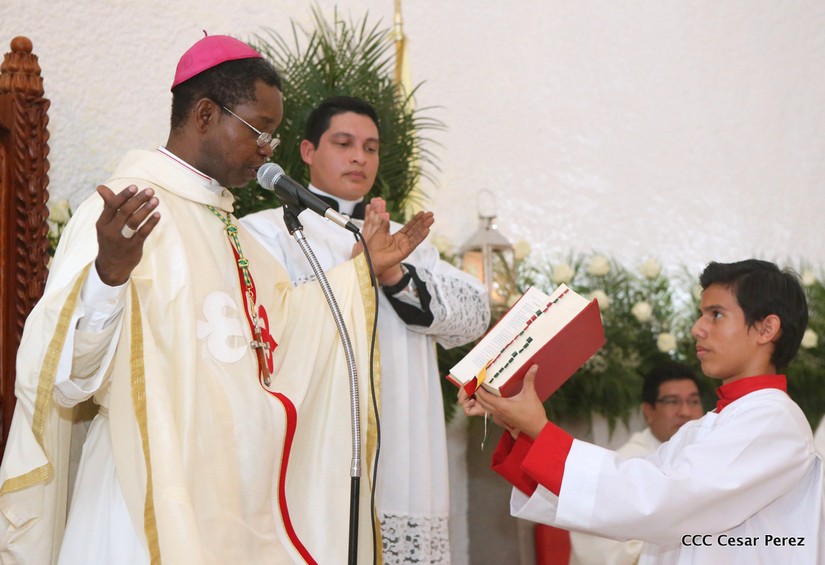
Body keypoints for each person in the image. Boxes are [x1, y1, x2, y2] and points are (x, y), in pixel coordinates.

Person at [0, 35, 434, 565]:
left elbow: (289, 331)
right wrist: (108, 276)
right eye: (260, 131)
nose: (267, 150)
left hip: (230, 501)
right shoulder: (122, 213)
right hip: (141, 494)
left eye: (273, 136)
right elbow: (65, 380)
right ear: (205, 114)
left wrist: (359, 272)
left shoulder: (234, 232)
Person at [241, 95, 490, 563]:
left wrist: (393, 273)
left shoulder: (406, 238)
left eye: (371, 147)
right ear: (308, 151)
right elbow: (268, 325)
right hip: (319, 441)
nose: (359, 157)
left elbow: (473, 314)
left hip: (405, 443)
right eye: (344, 143)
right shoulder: (266, 232)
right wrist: (357, 271)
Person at [461, 259, 824, 564]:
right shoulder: (712, 423)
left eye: (716, 315)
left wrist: (540, 432)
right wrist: (522, 428)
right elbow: (630, 490)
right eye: (701, 314)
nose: (697, 329)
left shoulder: (772, 420)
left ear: (766, 328)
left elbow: (660, 501)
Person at [568, 362, 705, 565]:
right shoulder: (624, 466)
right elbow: (601, 547)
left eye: (693, 401)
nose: (686, 411)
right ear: (648, 411)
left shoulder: (706, 458)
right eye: (672, 402)